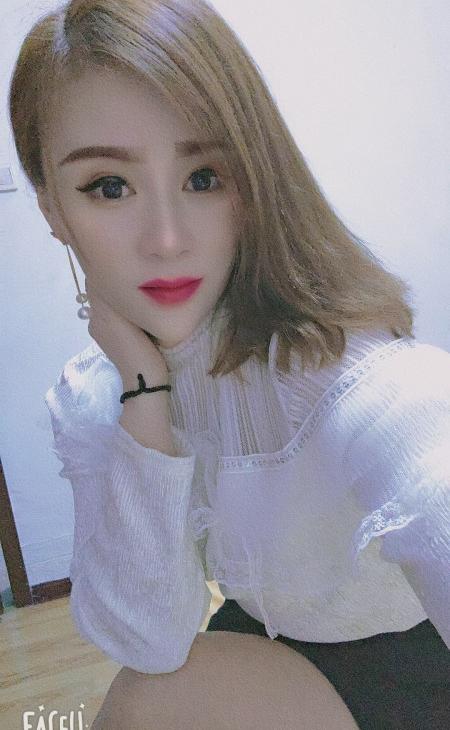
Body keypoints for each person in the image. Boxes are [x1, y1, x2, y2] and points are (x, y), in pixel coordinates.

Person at [8, 1, 449, 728]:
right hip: (266, 639)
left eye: (205, 176)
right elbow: (149, 639)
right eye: (109, 186)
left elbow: (425, 451)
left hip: (419, 664)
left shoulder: (346, 377)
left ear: (255, 181)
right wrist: (144, 392)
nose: (167, 238)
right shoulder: (95, 393)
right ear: (52, 207)